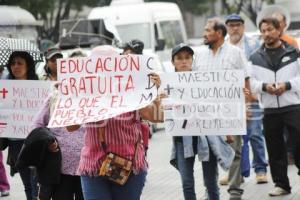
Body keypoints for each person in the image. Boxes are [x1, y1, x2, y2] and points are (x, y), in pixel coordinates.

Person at [68, 45, 163, 200]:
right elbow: (71, 127)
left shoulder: (132, 87)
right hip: (93, 166)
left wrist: (154, 91)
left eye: (108, 64)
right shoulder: (85, 91)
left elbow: (157, 117)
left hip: (128, 166)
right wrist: (73, 98)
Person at [193, 18, 251, 200]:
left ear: (219, 33)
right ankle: (211, 191)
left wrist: (246, 106)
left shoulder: (236, 53)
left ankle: (234, 191)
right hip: (207, 113)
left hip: (230, 111)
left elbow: (246, 81)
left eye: (207, 30)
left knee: (234, 150)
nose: (204, 34)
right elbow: (192, 83)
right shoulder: (199, 55)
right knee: (209, 153)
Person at [169, 43, 235, 200]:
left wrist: (227, 129)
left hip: (207, 134)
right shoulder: (167, 84)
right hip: (182, 138)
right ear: (173, 62)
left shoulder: (204, 81)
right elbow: (162, 113)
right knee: (187, 182)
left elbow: (217, 104)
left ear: (192, 60)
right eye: (179, 58)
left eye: (187, 58)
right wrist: (161, 100)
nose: (184, 61)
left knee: (211, 182)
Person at [249, 17, 300, 196]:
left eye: (270, 29)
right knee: (275, 148)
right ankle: (282, 185)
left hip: (293, 106)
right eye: (263, 31)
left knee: (298, 144)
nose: (266, 34)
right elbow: (252, 83)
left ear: (279, 30)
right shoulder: (255, 56)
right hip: (269, 109)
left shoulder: (294, 52)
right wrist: (265, 87)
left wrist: (286, 85)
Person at [219, 14, 268, 187]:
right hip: (229, 102)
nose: (234, 28)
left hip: (251, 96)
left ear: (243, 26)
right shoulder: (221, 47)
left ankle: (261, 169)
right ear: (226, 28)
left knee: (254, 134)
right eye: (231, 25)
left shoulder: (254, 44)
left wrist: (255, 92)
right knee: (233, 139)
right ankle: (235, 173)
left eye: (238, 25)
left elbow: (261, 68)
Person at [31, 49, 85, 200]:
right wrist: (48, 142)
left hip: (88, 169)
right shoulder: (54, 96)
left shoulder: (96, 97)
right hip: (60, 170)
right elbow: (37, 125)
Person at [6, 51, 39, 200]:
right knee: (27, 182)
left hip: (36, 141)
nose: (15, 66)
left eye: (20, 63)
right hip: (16, 142)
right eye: (13, 63)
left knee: (36, 181)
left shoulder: (39, 86)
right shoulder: (4, 88)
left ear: (28, 66)